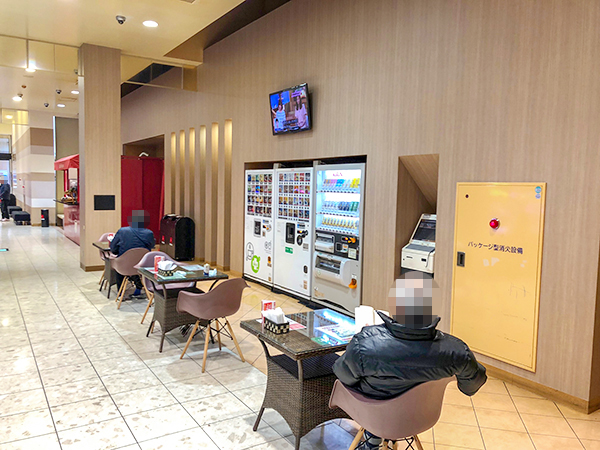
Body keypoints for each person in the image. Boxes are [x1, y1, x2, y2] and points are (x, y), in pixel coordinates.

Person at [333, 272, 487, 449]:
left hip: (374, 417)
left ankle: (373, 440)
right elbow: (472, 385)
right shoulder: (456, 351)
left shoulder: (365, 343)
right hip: (420, 418)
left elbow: (343, 376)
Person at [110, 210, 155, 298]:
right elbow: (151, 246)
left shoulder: (122, 231)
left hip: (123, 266)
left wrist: (117, 252)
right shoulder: (149, 233)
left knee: (118, 262)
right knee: (134, 264)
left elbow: (113, 248)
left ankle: (121, 293)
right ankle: (139, 288)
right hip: (142, 266)